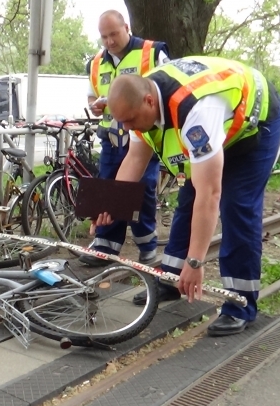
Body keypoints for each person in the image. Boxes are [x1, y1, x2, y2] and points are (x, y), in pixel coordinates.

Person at [92, 56, 280, 337]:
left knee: (237, 205)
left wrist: (196, 262)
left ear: (148, 102)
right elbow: (135, 158)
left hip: (255, 123)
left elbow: (210, 194)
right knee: (188, 193)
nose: (130, 129)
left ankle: (239, 302)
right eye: (124, 123)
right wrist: (110, 204)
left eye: (131, 121)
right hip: (216, 123)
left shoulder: (196, 113)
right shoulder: (137, 106)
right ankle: (172, 279)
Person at [79, 10, 170, 267]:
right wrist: (95, 106)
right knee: (109, 186)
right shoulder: (97, 62)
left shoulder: (151, 52)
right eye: (104, 36)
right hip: (112, 137)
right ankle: (106, 245)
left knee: (140, 190)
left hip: (144, 134)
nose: (109, 41)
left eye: (114, 34)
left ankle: (147, 246)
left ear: (126, 28)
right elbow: (90, 95)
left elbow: (167, 88)